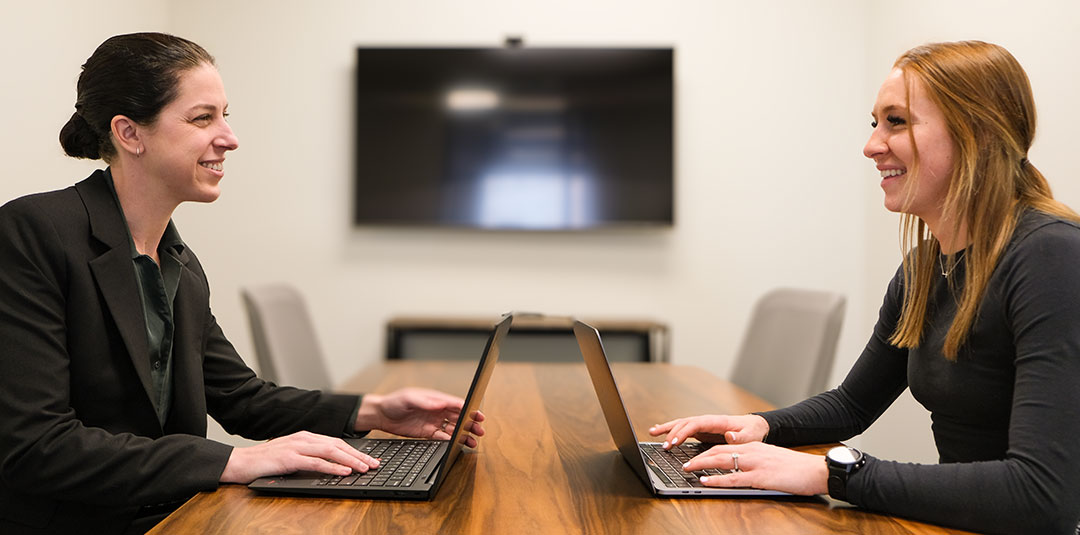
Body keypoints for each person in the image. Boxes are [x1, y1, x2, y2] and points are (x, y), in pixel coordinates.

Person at [0, 33, 484, 535]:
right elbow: (36, 446)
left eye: (225, 115)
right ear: (129, 133)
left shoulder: (179, 264)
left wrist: (375, 410)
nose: (229, 137)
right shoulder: (34, 231)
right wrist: (232, 462)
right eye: (202, 118)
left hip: (175, 515)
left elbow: (242, 398)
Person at [649, 41, 1080, 534]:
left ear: (978, 134)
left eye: (896, 121)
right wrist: (762, 426)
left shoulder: (1052, 257)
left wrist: (830, 474)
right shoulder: (926, 267)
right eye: (874, 123)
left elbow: (1041, 496)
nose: (872, 145)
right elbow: (853, 403)